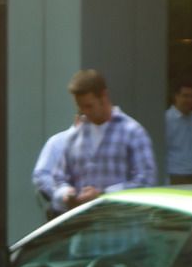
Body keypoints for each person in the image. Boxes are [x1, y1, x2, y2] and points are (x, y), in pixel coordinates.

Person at [49, 69, 156, 214]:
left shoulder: (133, 132)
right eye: (80, 107)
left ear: (104, 96)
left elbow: (146, 182)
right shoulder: (74, 137)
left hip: (121, 228)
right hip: (83, 228)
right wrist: (66, 194)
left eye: (89, 106)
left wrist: (103, 195)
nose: (84, 112)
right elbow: (57, 180)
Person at [32, 123, 75, 217]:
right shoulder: (58, 142)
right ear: (78, 119)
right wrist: (64, 193)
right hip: (64, 212)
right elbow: (41, 175)